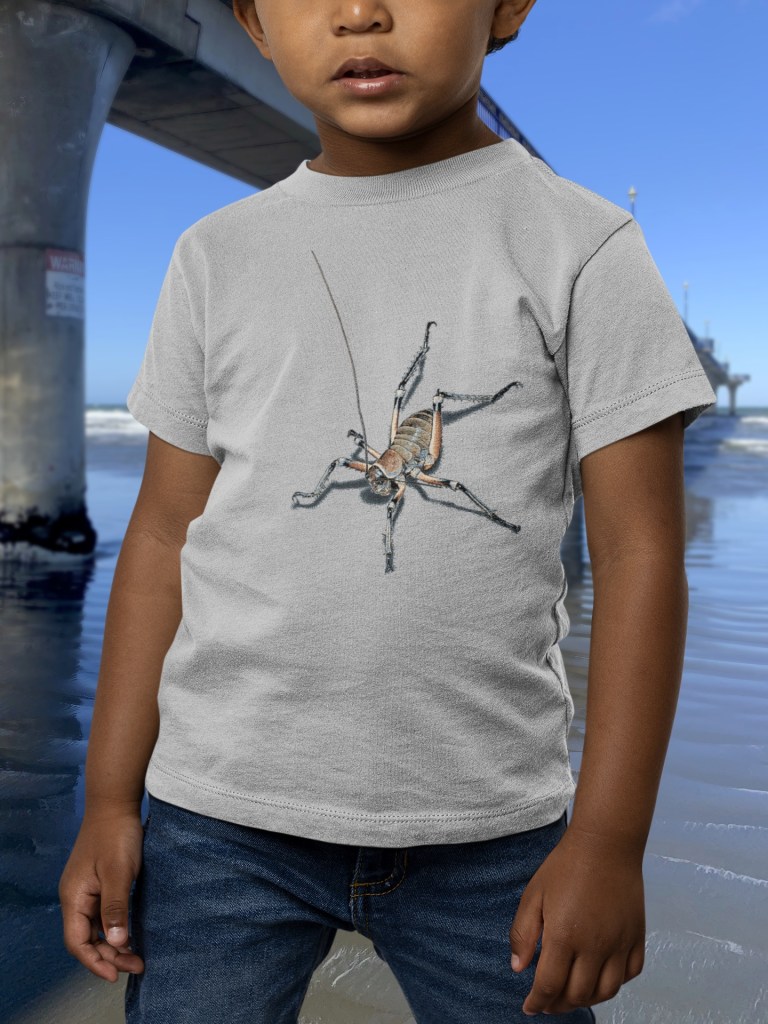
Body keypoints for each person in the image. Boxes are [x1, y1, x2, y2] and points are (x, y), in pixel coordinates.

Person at [58, 1, 718, 1021]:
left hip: (492, 828)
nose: (360, 10)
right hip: (218, 818)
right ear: (254, 22)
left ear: (506, 8)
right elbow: (160, 535)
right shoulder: (212, 256)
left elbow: (638, 554)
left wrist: (610, 838)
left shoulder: (583, 244)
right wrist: (109, 797)